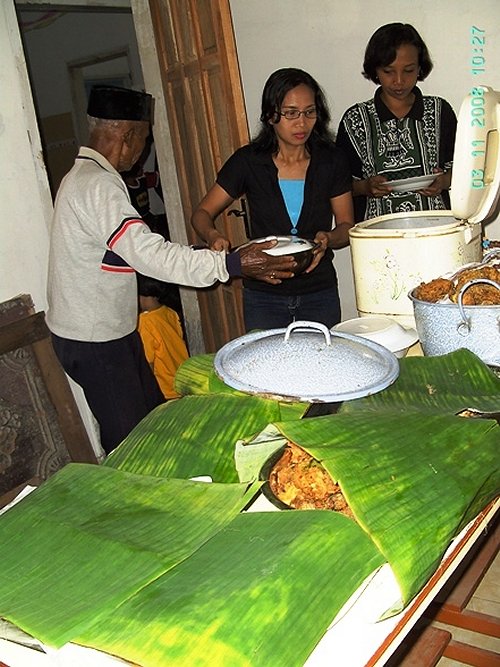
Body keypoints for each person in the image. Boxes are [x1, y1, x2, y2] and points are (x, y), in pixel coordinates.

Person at [46, 85, 296, 454]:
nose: (144, 150)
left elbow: (127, 253)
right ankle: (129, 502)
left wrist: (210, 257)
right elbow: (149, 255)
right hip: (95, 337)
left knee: (150, 417)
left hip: (101, 329)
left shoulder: (83, 177)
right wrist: (230, 263)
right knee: (129, 439)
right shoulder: (97, 185)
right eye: (144, 140)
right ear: (128, 135)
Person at [191, 68, 354, 331]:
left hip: (318, 291)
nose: (302, 123)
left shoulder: (331, 160)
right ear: (270, 115)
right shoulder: (248, 161)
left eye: (309, 112)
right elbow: (201, 213)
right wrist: (212, 236)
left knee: (318, 366)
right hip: (263, 293)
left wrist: (328, 238)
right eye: (291, 113)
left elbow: (347, 228)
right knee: (266, 367)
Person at [336, 23, 457, 222]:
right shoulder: (356, 119)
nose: (399, 81)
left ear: (419, 68)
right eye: (388, 71)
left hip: (436, 229)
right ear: (375, 70)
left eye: (408, 71)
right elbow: (337, 184)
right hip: (377, 236)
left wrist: (443, 181)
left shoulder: (439, 111)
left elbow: (468, 170)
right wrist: (365, 187)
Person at [137, 274, 188, 400]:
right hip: (182, 377)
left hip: (165, 387)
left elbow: (149, 361)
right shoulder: (170, 312)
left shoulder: (145, 321)